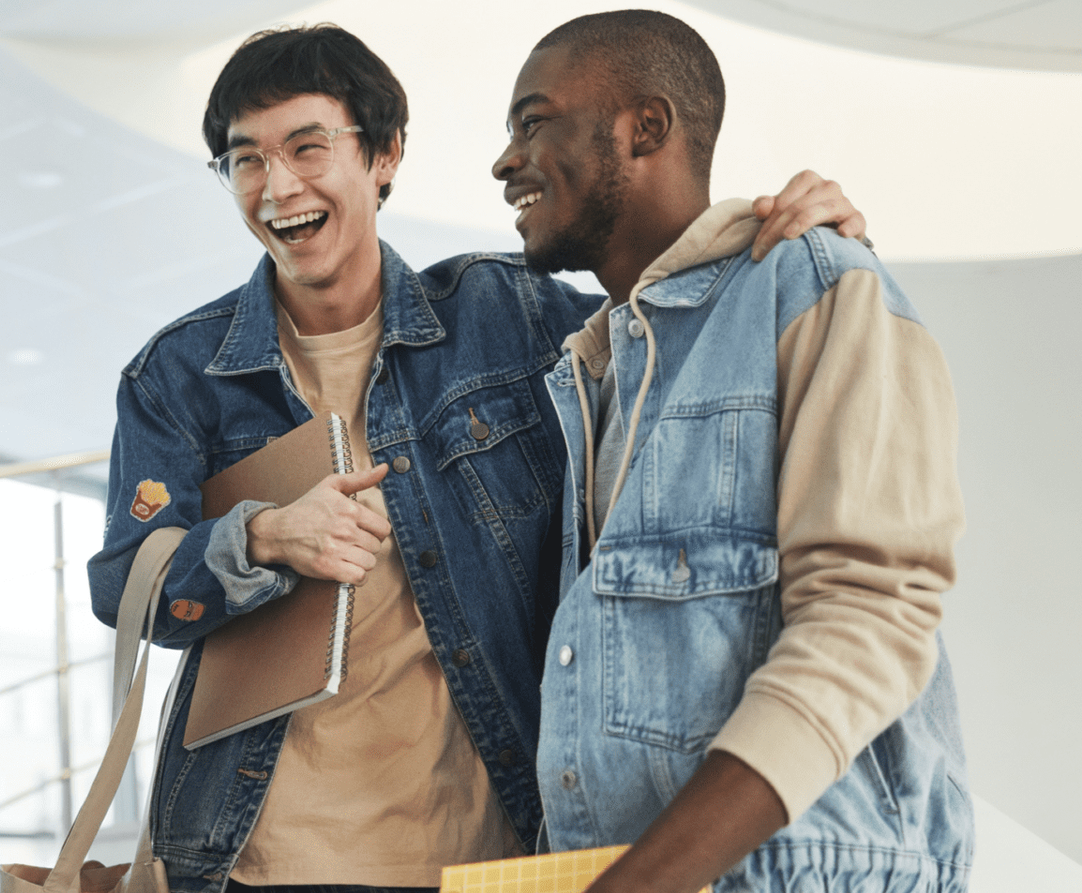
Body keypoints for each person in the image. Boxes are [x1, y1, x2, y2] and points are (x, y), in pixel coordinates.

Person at [86, 24, 872, 893]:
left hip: (487, 858)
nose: (278, 187)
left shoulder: (504, 317)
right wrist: (264, 537)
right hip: (253, 863)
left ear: (384, 156)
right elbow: (126, 587)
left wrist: (788, 239)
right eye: (246, 160)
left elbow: (668, 309)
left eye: (309, 147)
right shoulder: (179, 374)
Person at [492, 11, 969, 892]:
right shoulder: (589, 377)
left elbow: (868, 621)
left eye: (532, 121)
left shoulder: (814, 281)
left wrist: (642, 880)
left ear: (647, 127)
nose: (504, 159)